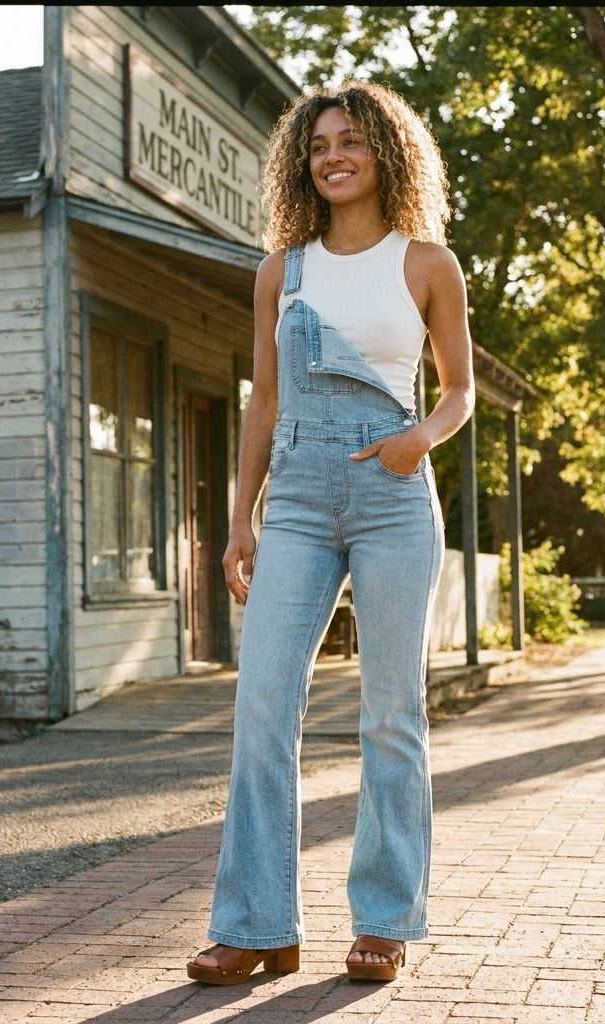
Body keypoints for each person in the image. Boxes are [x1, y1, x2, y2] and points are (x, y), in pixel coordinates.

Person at [186, 78, 475, 986]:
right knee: (262, 708)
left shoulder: (427, 263)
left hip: (393, 494)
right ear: (301, 164)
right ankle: (257, 924)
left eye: (350, 140)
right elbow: (263, 401)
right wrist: (242, 517)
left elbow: (458, 389)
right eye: (318, 145)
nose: (333, 156)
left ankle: (383, 920)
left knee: (392, 715)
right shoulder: (284, 269)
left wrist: (416, 440)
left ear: (386, 152)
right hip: (300, 501)